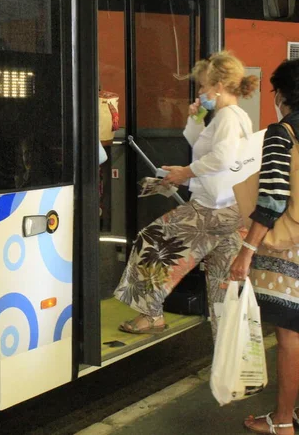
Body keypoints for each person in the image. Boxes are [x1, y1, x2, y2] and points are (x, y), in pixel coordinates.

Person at [114, 51, 258, 339]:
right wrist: (196, 119)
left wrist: (184, 172)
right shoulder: (235, 116)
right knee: (221, 282)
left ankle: (152, 315)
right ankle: (230, 352)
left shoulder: (228, 117)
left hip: (211, 210)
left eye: (203, 86)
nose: (201, 92)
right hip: (232, 210)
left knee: (151, 242)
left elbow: (222, 158)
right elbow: (201, 144)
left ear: (218, 86)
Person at [230, 59, 299, 435]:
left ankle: (283, 421)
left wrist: (247, 251)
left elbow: (272, 197)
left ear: (284, 94)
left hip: (291, 247)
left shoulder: (282, 132)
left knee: (289, 336)